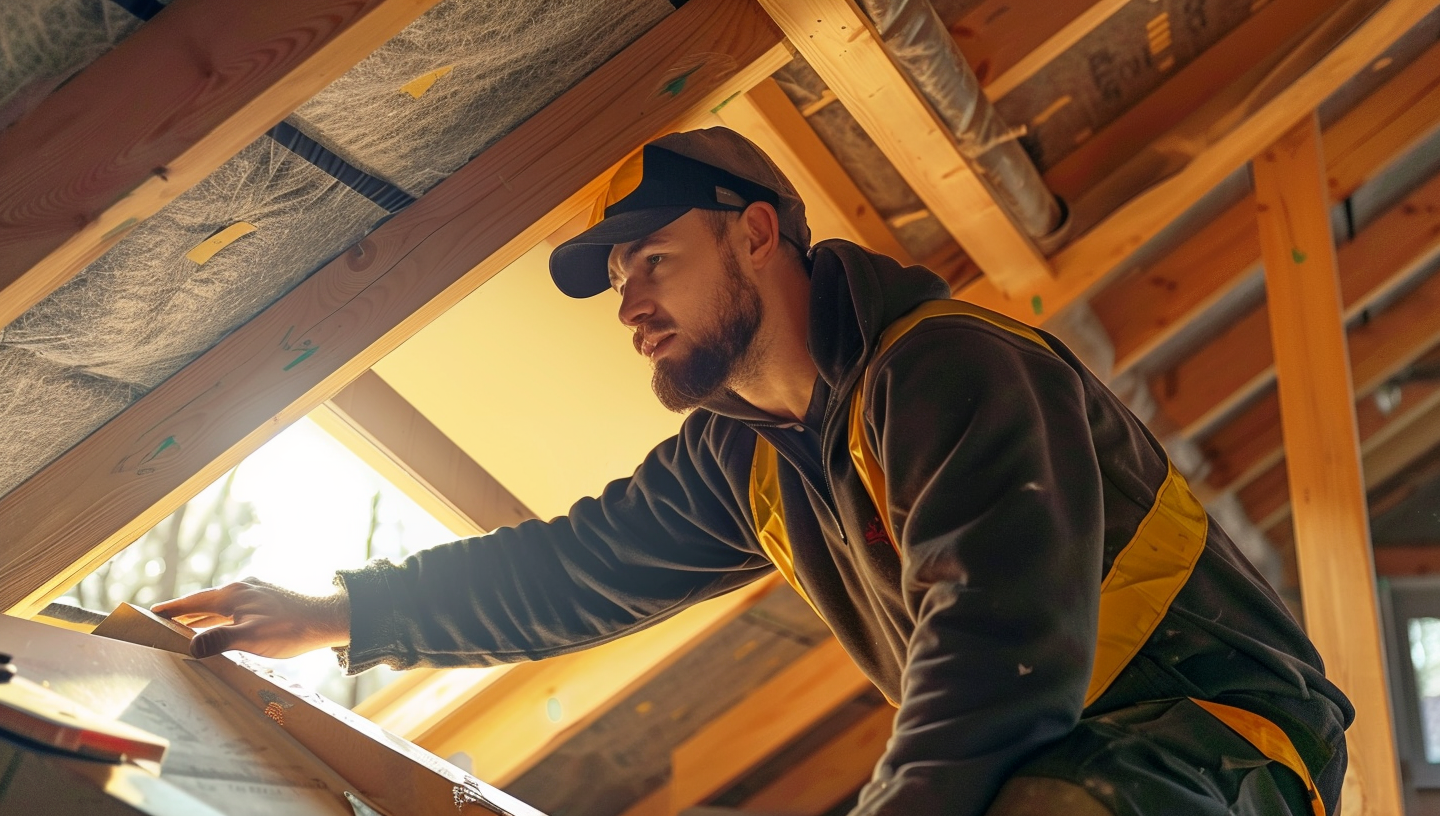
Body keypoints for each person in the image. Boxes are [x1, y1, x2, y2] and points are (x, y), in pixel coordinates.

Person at [154, 127, 1351, 816]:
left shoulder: (948, 369)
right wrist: (343, 610)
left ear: (759, 233)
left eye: (653, 262)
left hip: (1212, 737)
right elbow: (575, 570)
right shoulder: (747, 458)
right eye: (618, 281)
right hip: (1061, 741)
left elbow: (998, 650)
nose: (630, 303)